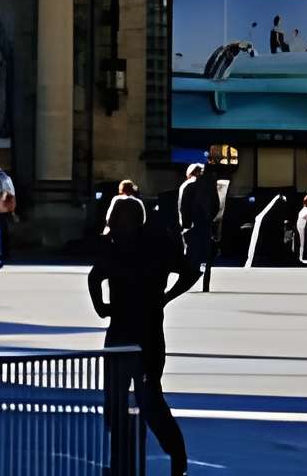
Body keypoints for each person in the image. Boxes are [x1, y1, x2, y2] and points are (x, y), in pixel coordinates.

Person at [89, 192, 198, 476]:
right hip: (147, 330)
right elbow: (190, 271)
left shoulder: (115, 245)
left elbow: (95, 276)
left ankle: (126, 461)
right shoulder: (156, 243)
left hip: (123, 333)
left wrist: (103, 307)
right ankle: (172, 459)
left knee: (122, 401)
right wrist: (165, 297)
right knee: (147, 399)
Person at [175, 165, 220, 292]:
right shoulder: (210, 185)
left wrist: (185, 225)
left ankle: (187, 283)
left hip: (191, 225)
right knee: (206, 256)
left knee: (190, 255)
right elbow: (216, 205)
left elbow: (182, 206)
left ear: (190, 173)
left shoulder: (187, 185)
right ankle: (206, 285)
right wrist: (210, 219)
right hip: (205, 224)